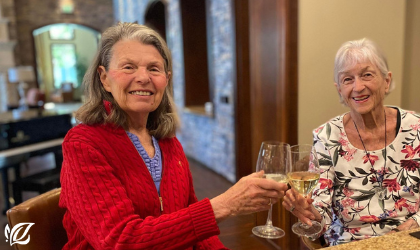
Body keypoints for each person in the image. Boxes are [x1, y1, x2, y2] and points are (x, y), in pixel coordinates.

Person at [59, 22, 287, 250]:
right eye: (128, 67)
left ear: (166, 79)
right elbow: (121, 241)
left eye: (154, 68)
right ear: (104, 77)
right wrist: (225, 205)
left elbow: (197, 229)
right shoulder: (83, 143)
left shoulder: (168, 142)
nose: (143, 77)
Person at [282, 38, 420, 246]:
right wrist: (307, 213)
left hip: (407, 241)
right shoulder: (327, 137)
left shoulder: (418, 129)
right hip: (350, 244)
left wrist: (395, 238)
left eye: (367, 75)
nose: (358, 87)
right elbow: (319, 222)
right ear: (339, 90)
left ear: (386, 81)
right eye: (347, 79)